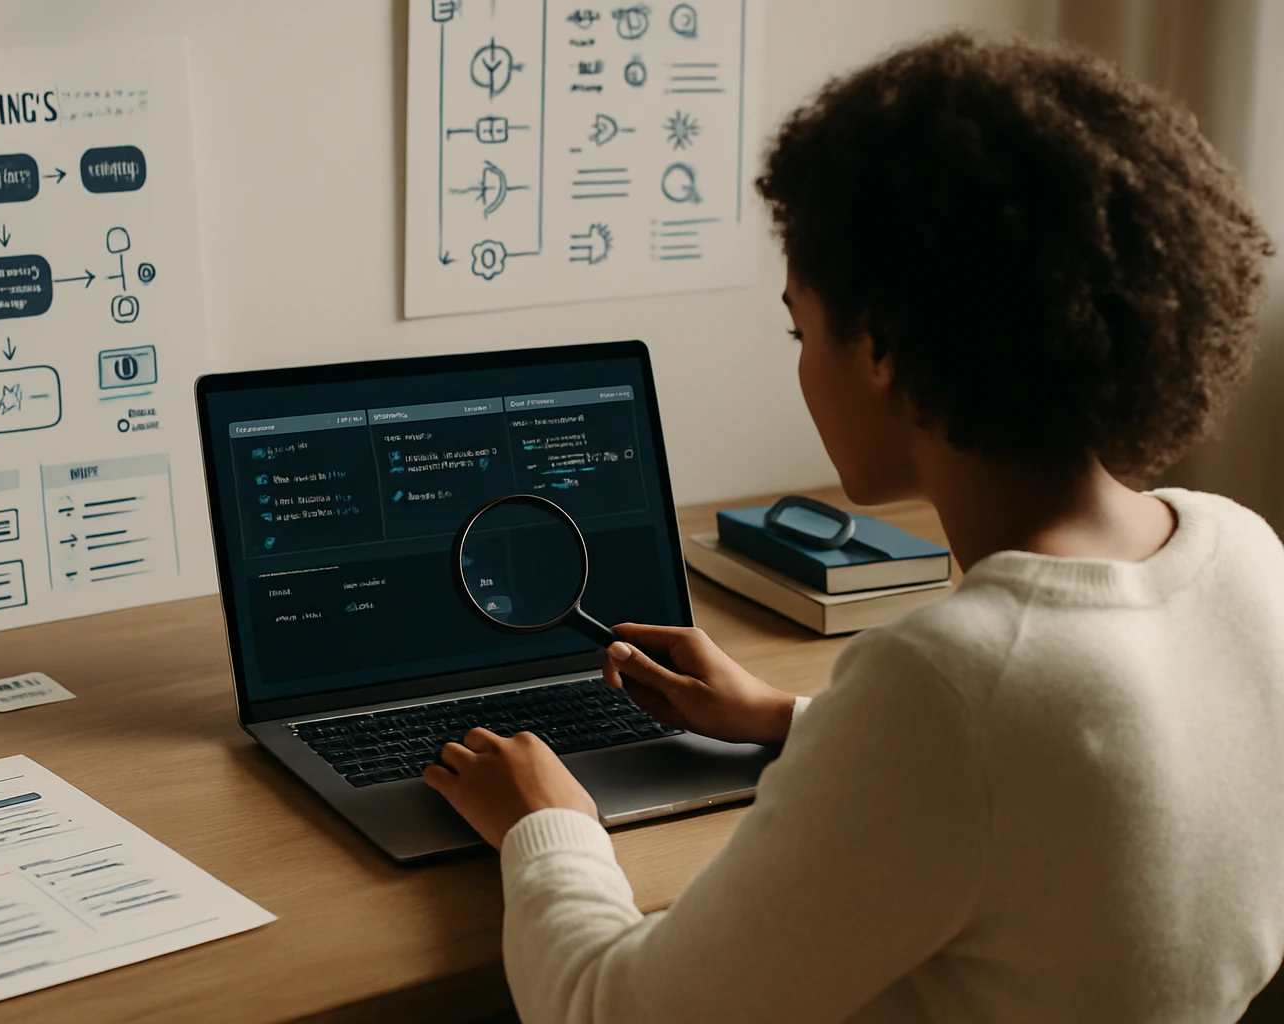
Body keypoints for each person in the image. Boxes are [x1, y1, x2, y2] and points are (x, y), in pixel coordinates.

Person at [421, 30, 1284, 1024]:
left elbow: (608, 1011)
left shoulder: (952, 684)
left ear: (875, 344)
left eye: (801, 326)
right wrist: (792, 722)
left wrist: (550, 823)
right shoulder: (1239, 554)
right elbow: (1052, 792)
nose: (798, 364)